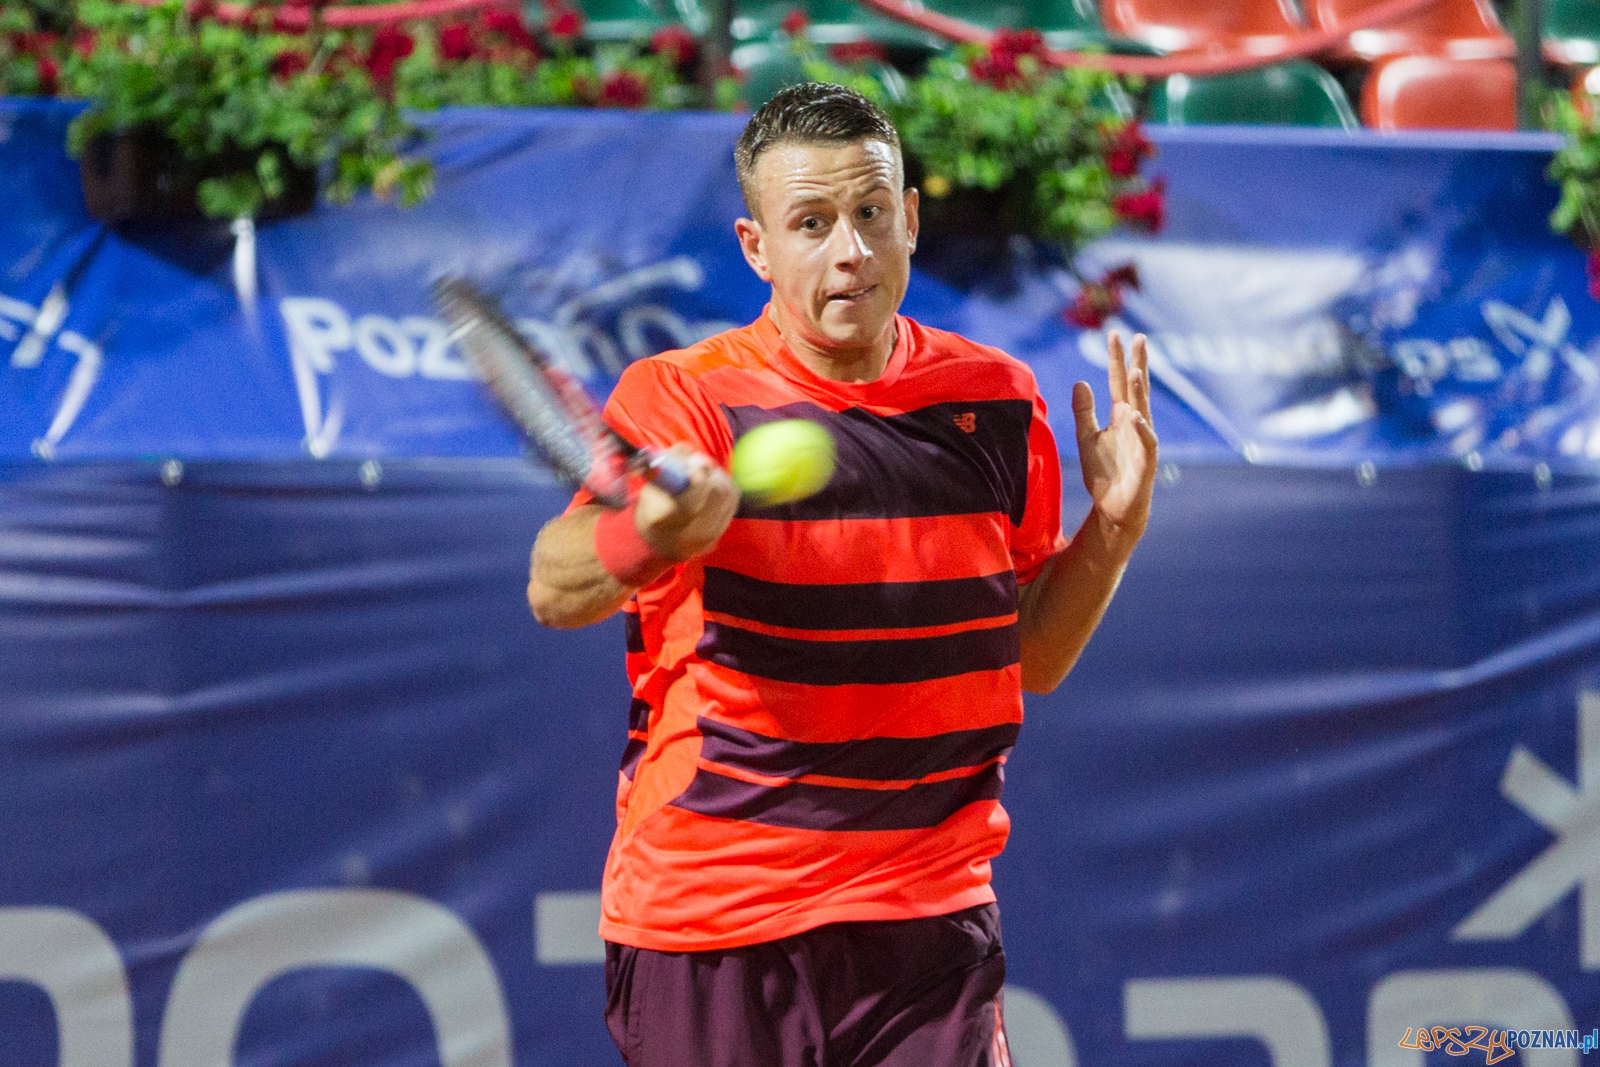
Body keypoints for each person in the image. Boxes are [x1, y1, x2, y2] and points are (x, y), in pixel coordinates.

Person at [527, 82, 1158, 1067]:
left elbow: (1028, 654)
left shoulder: (996, 401)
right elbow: (554, 585)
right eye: (811, 223)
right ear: (756, 247)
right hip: (717, 914)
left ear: (908, 216)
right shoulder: (685, 397)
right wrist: (649, 530)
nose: (849, 251)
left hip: (929, 918)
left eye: (869, 214)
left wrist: (1110, 530)